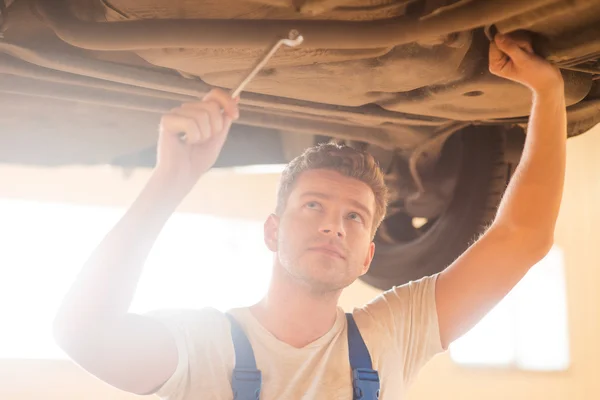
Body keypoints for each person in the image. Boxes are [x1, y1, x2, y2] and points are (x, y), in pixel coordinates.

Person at [52, 32, 566, 399]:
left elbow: (522, 237)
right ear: (273, 231)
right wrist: (172, 179)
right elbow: (82, 333)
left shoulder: (393, 335)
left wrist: (549, 93)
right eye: (314, 205)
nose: (333, 225)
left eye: (355, 217)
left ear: (368, 256)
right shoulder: (203, 346)